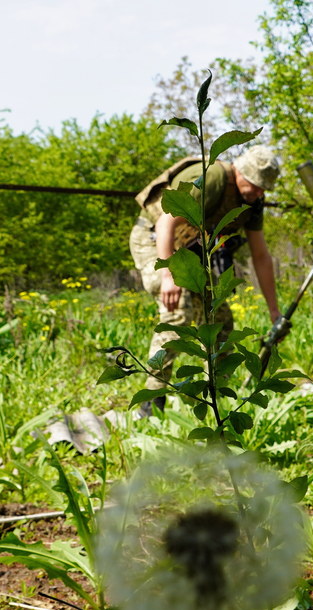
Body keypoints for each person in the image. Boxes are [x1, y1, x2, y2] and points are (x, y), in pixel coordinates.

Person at [129, 146, 284, 417]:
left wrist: (274, 312)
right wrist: (168, 274)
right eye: (255, 185)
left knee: (220, 322)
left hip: (189, 251)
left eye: (264, 188)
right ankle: (151, 405)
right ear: (241, 172)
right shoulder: (212, 177)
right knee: (177, 315)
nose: (259, 193)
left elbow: (261, 256)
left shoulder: (252, 201)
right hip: (154, 240)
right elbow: (166, 222)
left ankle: (213, 399)